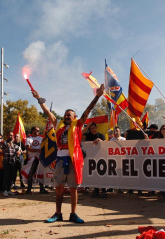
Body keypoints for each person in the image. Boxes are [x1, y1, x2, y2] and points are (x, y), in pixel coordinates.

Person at [32, 83, 105, 224]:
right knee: (58, 187)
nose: (66, 116)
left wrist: (97, 96)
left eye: (69, 114)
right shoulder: (58, 124)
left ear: (74, 117)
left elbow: (88, 110)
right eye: (65, 114)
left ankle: (73, 214)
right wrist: (39, 98)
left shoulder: (78, 124)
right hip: (60, 160)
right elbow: (48, 113)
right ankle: (58, 213)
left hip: (73, 159)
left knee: (73, 188)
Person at [84, 123, 107, 198]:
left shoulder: (101, 135)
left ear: (96, 128)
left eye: (93, 128)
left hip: (101, 158)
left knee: (102, 175)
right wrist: (86, 127)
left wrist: (100, 140)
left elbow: (106, 143)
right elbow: (79, 135)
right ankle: (96, 191)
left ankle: (104, 192)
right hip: (91, 159)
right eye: (90, 128)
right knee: (94, 175)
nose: (92, 130)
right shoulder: (87, 135)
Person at [25, 126, 48, 194]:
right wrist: (37, 150)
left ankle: (42, 188)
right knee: (30, 173)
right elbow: (28, 148)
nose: (37, 132)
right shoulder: (28, 139)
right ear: (33, 131)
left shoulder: (41, 138)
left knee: (40, 173)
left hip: (40, 158)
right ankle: (29, 189)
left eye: (38, 131)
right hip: (32, 158)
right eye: (36, 130)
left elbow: (44, 147)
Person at [1, 132, 22, 197]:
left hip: (13, 162)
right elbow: (3, 149)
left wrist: (19, 152)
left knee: (11, 177)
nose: (12, 136)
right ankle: (4, 190)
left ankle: (9, 190)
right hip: (6, 162)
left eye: (12, 135)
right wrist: (9, 144)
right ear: (7, 136)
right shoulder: (4, 143)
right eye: (10, 135)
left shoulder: (14, 144)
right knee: (6, 176)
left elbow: (18, 149)